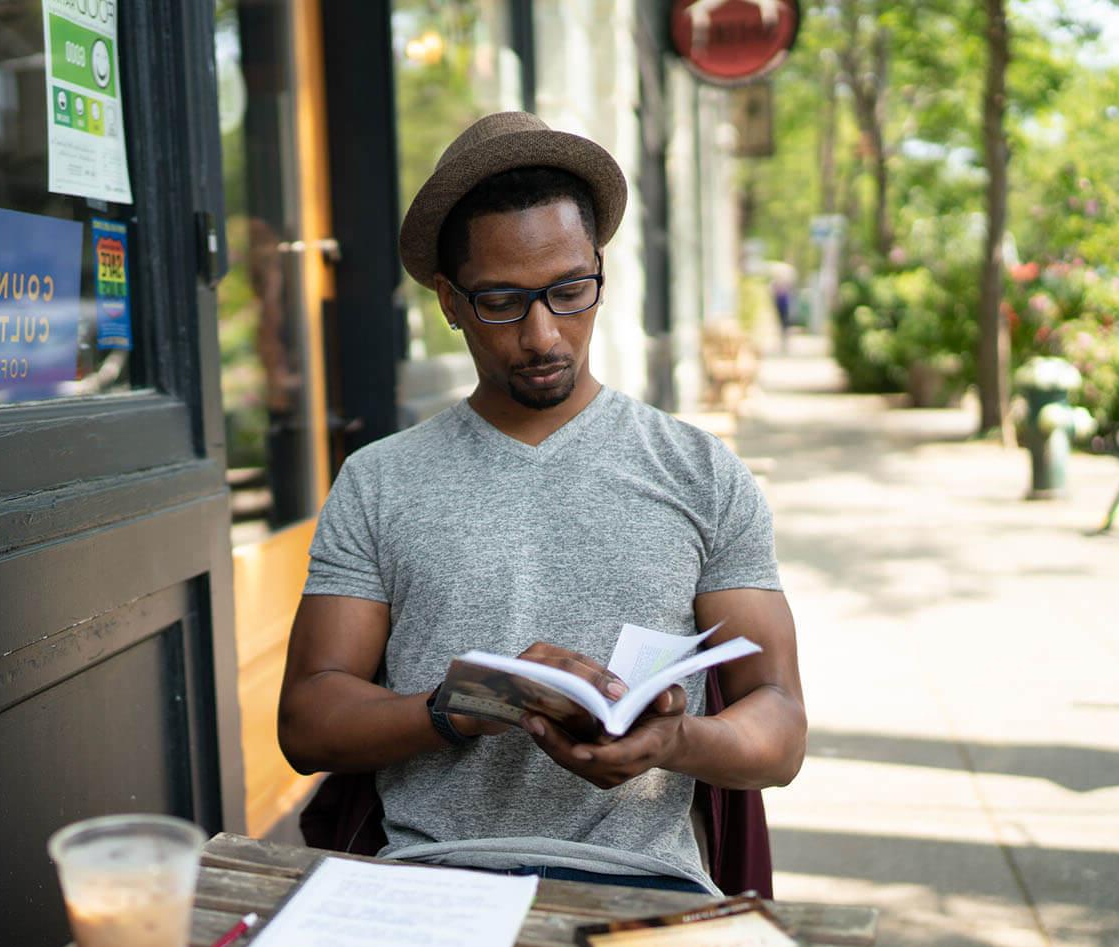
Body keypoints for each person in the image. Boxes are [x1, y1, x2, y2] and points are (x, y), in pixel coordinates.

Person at [278, 112, 805, 895]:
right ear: (450, 301)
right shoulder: (379, 481)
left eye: (569, 292)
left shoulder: (700, 472)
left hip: (642, 881)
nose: (543, 335)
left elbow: (781, 722)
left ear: (599, 270)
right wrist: (463, 706)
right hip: (429, 876)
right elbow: (308, 719)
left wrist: (674, 741)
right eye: (502, 302)